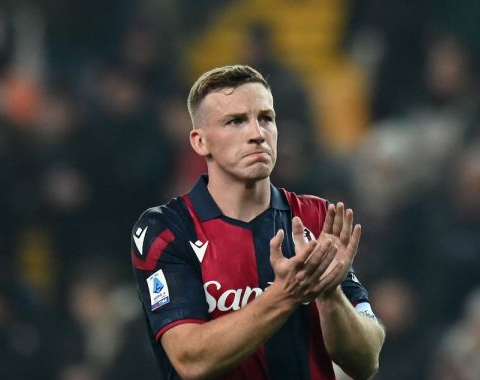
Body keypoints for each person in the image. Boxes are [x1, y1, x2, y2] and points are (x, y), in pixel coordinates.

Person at [130, 64, 385, 379]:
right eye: (235, 121)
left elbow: (366, 361)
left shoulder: (315, 217)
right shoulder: (167, 229)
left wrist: (330, 294)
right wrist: (287, 293)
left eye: (266, 118)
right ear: (200, 142)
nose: (257, 134)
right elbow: (191, 360)